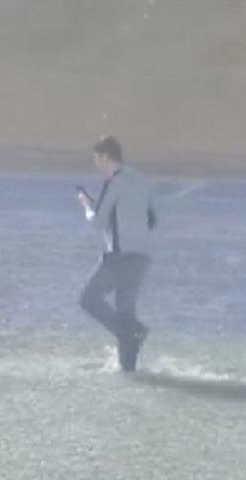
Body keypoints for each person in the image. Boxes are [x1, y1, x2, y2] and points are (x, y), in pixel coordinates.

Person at [78, 136, 157, 372]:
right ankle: (128, 372)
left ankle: (133, 331)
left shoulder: (114, 181)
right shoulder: (141, 180)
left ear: (105, 157)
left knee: (88, 299)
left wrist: (87, 207)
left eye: (97, 159)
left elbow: (97, 223)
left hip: (119, 258)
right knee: (125, 315)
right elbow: (151, 220)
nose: (97, 165)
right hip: (142, 258)